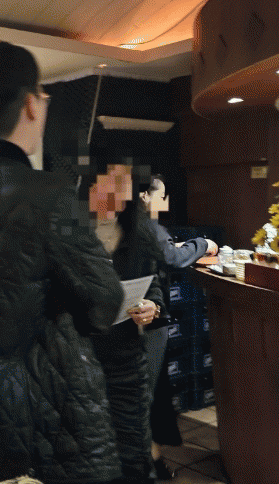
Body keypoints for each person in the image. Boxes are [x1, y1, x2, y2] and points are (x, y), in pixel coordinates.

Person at [0, 41, 125, 484]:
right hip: (31, 413)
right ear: (31, 104)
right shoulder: (47, 194)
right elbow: (104, 304)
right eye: (43, 97)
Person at [87, 161, 166, 484]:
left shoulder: (138, 231)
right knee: (92, 449)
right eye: (108, 185)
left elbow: (153, 284)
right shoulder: (71, 233)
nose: (115, 195)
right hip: (83, 359)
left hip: (127, 358)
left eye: (123, 188)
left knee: (133, 448)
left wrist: (152, 306)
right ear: (90, 186)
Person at [139, 174, 218, 480]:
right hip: (146, 319)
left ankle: (153, 460)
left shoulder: (127, 225)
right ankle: (148, 464)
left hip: (141, 316)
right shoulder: (145, 225)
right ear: (144, 196)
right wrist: (203, 243)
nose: (166, 202)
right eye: (161, 196)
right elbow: (172, 257)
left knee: (150, 393)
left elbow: (165, 250)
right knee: (146, 395)